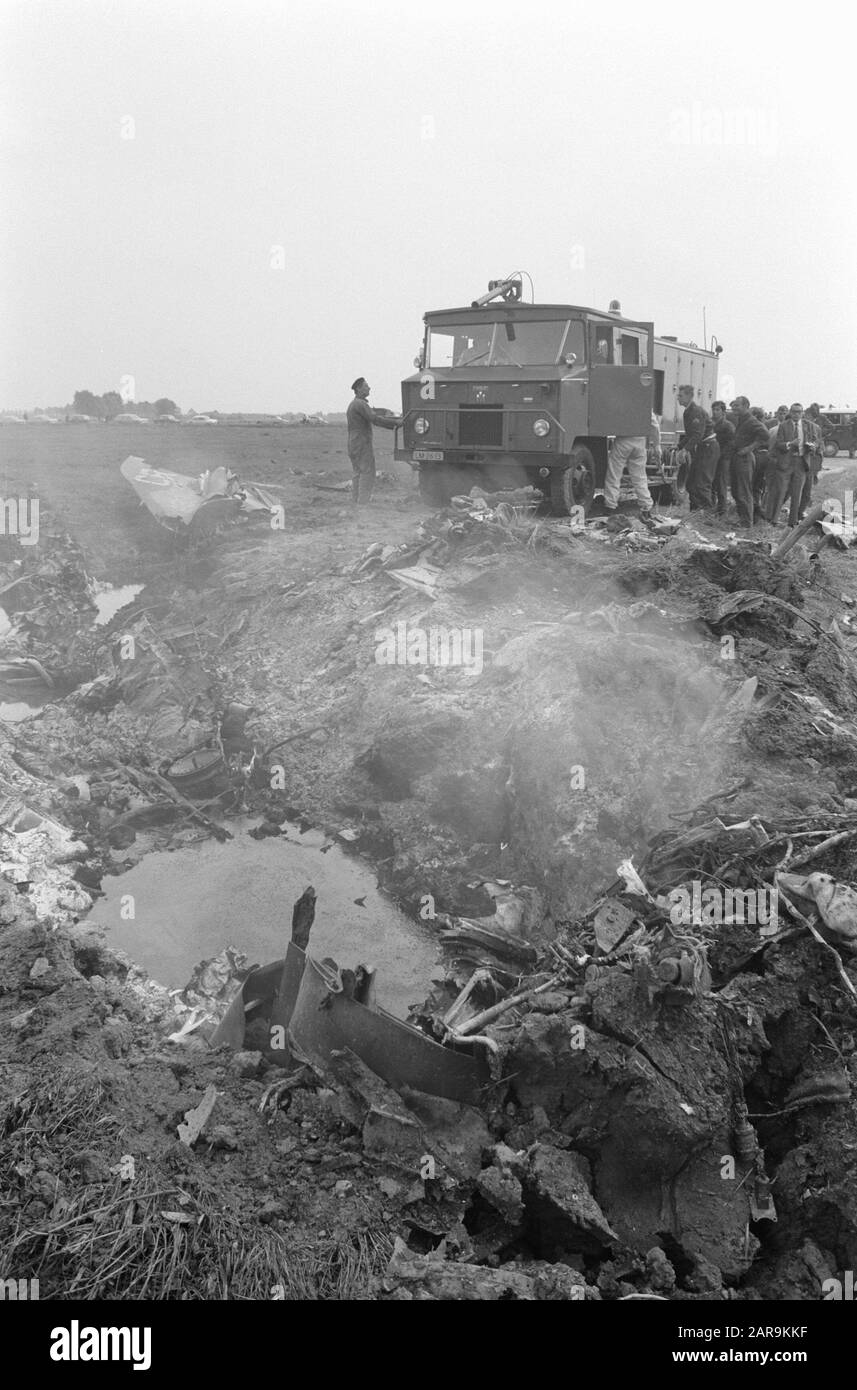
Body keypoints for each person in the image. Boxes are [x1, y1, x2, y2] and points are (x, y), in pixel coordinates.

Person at [346, 378, 401, 505]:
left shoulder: (354, 404)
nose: (369, 388)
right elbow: (374, 419)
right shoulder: (360, 404)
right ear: (358, 389)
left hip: (353, 443)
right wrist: (395, 423)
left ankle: (356, 501)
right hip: (361, 443)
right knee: (367, 473)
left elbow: (373, 414)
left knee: (357, 473)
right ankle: (363, 503)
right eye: (366, 386)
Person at [768, 403, 823, 527]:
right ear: (790, 413)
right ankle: (774, 519)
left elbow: (816, 440)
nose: (796, 414)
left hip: (801, 462)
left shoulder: (808, 426)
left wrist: (813, 446)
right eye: (794, 412)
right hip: (786, 462)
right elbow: (778, 444)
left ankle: (792, 521)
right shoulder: (783, 426)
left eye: (799, 412)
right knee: (781, 490)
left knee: (797, 492)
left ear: (802, 413)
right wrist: (789, 444)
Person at [677, 385, 719, 511]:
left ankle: (709, 515)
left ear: (689, 396)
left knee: (702, 484)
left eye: (681, 395)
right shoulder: (688, 411)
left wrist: (685, 450)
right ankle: (695, 512)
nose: (678, 398)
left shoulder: (695, 411)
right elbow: (690, 434)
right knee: (690, 484)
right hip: (702, 448)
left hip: (708, 448)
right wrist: (679, 446)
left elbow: (697, 434)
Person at [729, 396, 769, 527]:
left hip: (744, 459)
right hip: (737, 457)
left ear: (746, 406)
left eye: (737, 405)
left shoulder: (751, 420)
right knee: (736, 490)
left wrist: (749, 448)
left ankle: (747, 523)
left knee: (744, 491)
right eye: (733, 405)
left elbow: (765, 435)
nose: (734, 407)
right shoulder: (741, 419)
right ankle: (743, 519)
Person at [603, 421, 655, 516]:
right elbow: (654, 425)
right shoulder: (645, 407)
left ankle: (610, 506)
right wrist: (657, 445)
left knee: (614, 474)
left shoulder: (625, 405)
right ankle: (646, 507)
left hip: (623, 440)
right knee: (640, 477)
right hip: (640, 441)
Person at [711, 401, 735, 516]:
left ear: (723, 412)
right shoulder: (710, 424)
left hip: (723, 458)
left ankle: (722, 511)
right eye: (713, 410)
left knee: (721, 484)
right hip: (711, 458)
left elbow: (731, 443)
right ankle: (711, 508)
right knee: (711, 483)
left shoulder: (727, 425)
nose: (715, 412)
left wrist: (722, 455)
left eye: (717, 410)